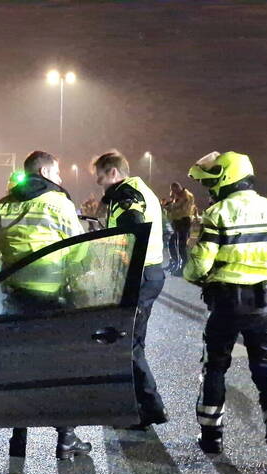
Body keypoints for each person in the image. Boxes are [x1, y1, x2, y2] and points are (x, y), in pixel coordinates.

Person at [185, 151, 267, 471]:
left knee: (214, 368)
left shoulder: (217, 213)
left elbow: (199, 264)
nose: (209, 190)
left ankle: (211, 439)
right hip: (266, 304)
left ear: (226, 178)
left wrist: (196, 276)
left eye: (211, 182)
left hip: (226, 304)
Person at [0, 150, 92, 460]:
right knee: (61, 368)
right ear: (44, 171)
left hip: (14, 298)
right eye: (57, 172)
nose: (61, 178)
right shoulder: (58, 203)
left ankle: (18, 437)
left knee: (20, 366)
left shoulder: (3, 205)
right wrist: (83, 289)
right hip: (54, 300)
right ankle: (66, 438)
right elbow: (78, 250)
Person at [93, 150, 168, 430]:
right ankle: (137, 405)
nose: (99, 184)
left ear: (112, 173)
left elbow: (132, 228)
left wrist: (119, 254)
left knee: (129, 345)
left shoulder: (128, 195)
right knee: (129, 342)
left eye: (100, 177)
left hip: (139, 276)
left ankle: (149, 408)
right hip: (146, 274)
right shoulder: (138, 189)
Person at [167, 182, 196, 275]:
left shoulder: (187, 196)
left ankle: (184, 267)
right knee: (173, 243)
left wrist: (172, 207)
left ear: (178, 187)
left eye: (174, 189)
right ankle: (176, 263)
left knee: (182, 245)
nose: (173, 192)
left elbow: (184, 210)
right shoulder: (177, 196)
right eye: (172, 190)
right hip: (177, 222)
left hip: (184, 221)